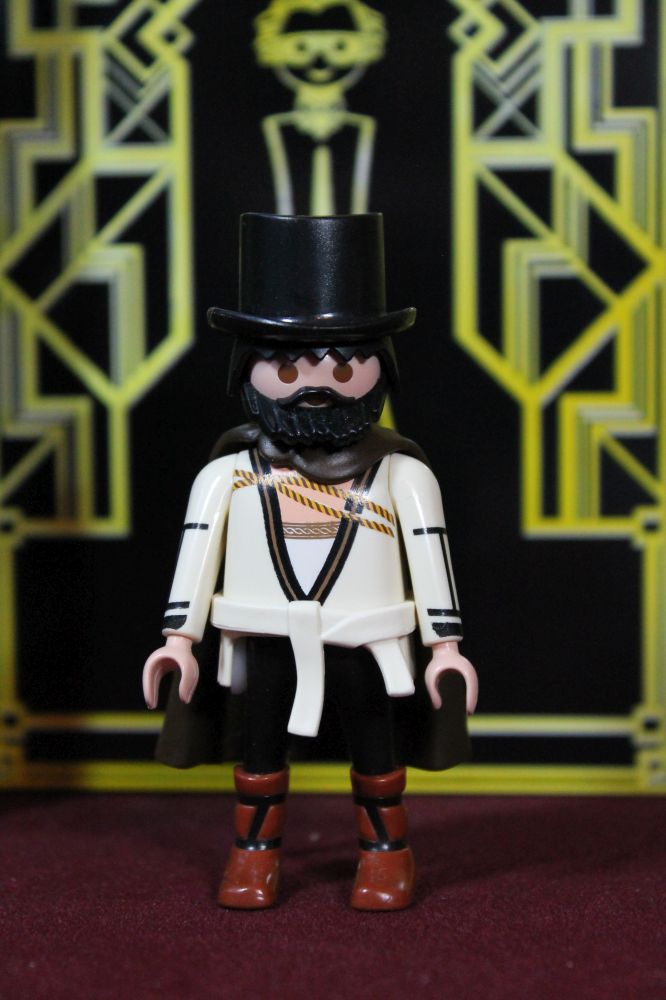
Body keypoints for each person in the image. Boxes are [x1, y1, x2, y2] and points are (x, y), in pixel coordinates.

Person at [143, 212, 478, 911]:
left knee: (376, 749)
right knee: (258, 748)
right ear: (249, 370)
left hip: (368, 640)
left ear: (380, 367)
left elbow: (430, 553)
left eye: (344, 365)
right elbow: (197, 552)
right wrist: (178, 639)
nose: (315, 385)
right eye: (289, 367)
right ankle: (253, 853)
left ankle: (386, 856)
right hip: (262, 636)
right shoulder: (229, 476)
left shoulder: (402, 475)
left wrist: (445, 647)